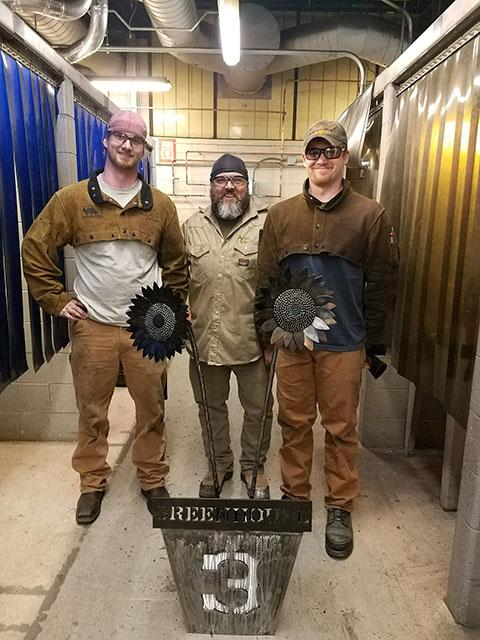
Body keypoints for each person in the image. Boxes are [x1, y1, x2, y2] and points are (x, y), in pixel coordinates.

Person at [22, 111, 188, 524]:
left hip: (146, 329)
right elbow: (34, 247)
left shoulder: (160, 206)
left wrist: (168, 311)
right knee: (92, 411)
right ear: (105, 140)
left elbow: (177, 265)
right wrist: (56, 299)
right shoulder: (72, 200)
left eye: (136, 139)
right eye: (119, 136)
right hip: (92, 326)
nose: (127, 145)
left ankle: (152, 478)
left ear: (144, 149)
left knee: (151, 409)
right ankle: (92, 482)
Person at [257, 120, 399, 558]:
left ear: (344, 158)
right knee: (294, 423)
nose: (321, 159)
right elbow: (265, 279)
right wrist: (267, 337)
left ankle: (339, 506)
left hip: (344, 344)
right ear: (304, 158)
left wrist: (368, 341)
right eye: (313, 151)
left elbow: (383, 282)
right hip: (292, 343)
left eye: (330, 151)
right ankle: (294, 499)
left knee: (340, 429)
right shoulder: (281, 216)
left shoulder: (370, 215)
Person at [183, 154, 272, 500]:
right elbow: (176, 278)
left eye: (237, 180)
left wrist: (273, 335)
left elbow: (276, 282)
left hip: (252, 342)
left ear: (247, 185)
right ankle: (219, 465)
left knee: (259, 409)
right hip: (205, 341)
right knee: (210, 408)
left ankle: (253, 467)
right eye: (221, 180)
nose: (229, 187)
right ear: (211, 186)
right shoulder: (192, 226)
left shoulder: (266, 225)